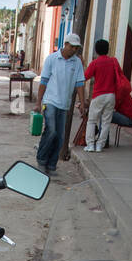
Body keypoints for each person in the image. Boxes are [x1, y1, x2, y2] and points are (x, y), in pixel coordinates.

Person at [35, 33, 87, 176]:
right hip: (50, 101)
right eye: (72, 47)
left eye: (76, 48)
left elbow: (80, 83)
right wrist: (38, 102)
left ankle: (51, 165)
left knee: (60, 137)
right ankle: (41, 160)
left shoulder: (76, 63)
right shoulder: (52, 59)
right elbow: (44, 81)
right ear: (65, 45)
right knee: (51, 131)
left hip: (65, 104)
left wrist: (82, 103)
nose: (74, 50)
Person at [80, 39, 125, 152]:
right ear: (107, 49)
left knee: (92, 120)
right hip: (111, 95)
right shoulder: (113, 62)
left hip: (99, 95)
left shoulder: (95, 63)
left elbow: (85, 77)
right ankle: (100, 145)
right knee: (105, 122)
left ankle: (90, 144)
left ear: (96, 50)